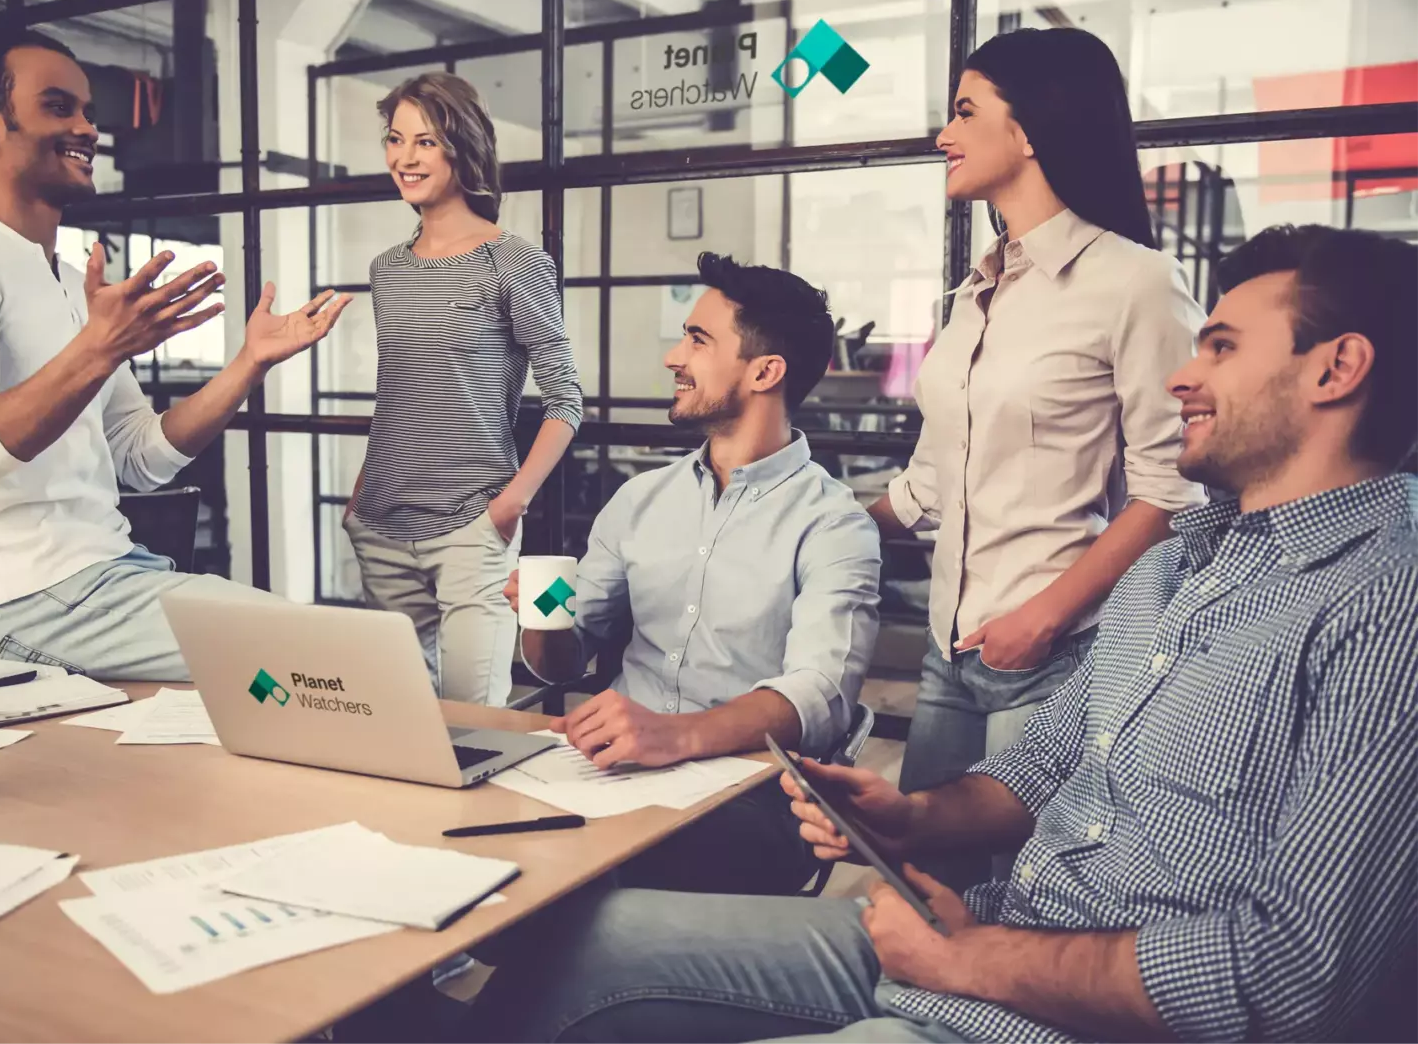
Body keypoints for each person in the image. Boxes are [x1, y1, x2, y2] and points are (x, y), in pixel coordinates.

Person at [463, 223, 1418, 1044]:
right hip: (980, 939)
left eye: (1216, 347)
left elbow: (1293, 975)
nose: (1180, 376)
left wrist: (977, 956)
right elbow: (1037, 774)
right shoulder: (1172, 565)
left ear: (1335, 369)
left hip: (1034, 991)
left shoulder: (1384, 601)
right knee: (581, 940)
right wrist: (907, 818)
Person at [0, 30, 348, 679]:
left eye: (89, 111)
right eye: (59, 107)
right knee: (328, 655)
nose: (88, 128)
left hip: (113, 574)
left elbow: (141, 458)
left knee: (292, 692)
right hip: (28, 601)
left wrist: (247, 365)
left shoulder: (67, 281)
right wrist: (97, 349)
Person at [868, 29, 1206, 887]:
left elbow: (1175, 493)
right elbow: (929, 484)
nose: (943, 135)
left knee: (1019, 897)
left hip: (1051, 654)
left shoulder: (1133, 282)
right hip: (949, 648)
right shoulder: (978, 290)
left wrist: (1043, 618)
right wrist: (798, 522)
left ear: (1027, 132)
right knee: (921, 884)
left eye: (963, 111)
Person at [506, 251, 883, 896]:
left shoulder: (836, 525)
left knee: (588, 884)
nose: (673, 358)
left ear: (766, 371)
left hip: (746, 791)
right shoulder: (639, 500)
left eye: (698, 339)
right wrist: (546, 612)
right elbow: (563, 662)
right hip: (608, 771)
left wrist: (674, 736)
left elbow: (820, 695)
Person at [342, 72, 582, 707]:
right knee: (399, 723)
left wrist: (510, 504)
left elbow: (565, 401)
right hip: (382, 526)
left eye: (425, 141)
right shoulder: (386, 270)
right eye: (396, 139)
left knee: (474, 725)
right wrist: (362, 493)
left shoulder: (516, 262)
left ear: (462, 147)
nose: (405, 157)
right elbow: (399, 390)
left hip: (473, 528)